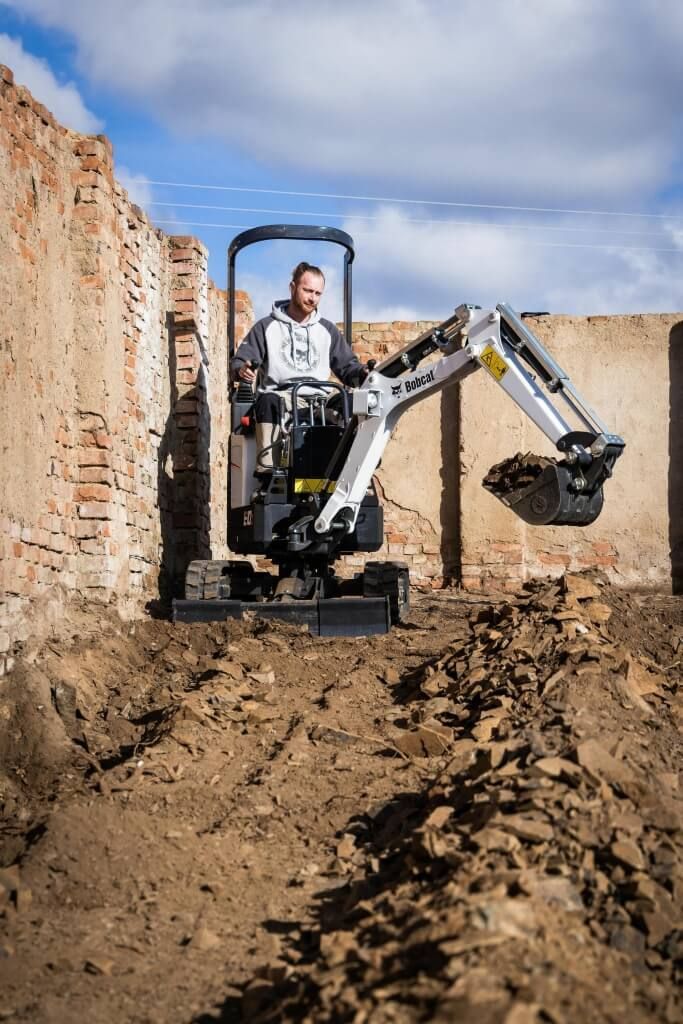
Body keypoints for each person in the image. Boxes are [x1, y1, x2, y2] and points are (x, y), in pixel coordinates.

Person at [231, 261, 368, 475]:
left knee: (351, 402)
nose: (313, 298)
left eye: (318, 293)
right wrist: (242, 369)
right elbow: (241, 361)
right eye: (307, 291)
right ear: (292, 287)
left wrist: (362, 373)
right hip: (282, 396)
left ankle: (354, 470)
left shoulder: (327, 330)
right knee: (267, 401)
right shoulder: (266, 327)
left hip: (321, 397)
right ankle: (269, 472)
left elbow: (348, 368)